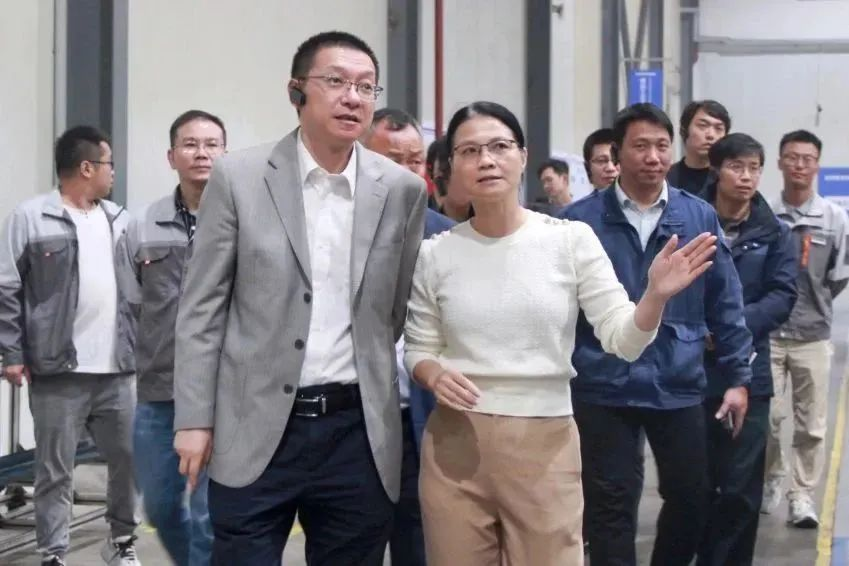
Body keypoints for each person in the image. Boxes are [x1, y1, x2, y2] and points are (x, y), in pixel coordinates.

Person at [404, 101, 717, 566]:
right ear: (452, 166)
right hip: (455, 446)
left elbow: (622, 339)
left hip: (545, 444)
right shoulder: (436, 254)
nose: (486, 160)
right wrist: (432, 374)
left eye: (499, 146)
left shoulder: (569, 240)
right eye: (470, 151)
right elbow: (418, 347)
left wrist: (653, 297)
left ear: (522, 156)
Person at [171, 31, 427, 565]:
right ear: (297, 91)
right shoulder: (239, 178)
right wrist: (194, 419)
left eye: (366, 87)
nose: (352, 97)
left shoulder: (401, 190)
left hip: (358, 434)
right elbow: (201, 310)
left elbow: (395, 310)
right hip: (255, 426)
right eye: (335, 81)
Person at [562, 102, 752, 566]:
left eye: (662, 146)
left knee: (690, 495)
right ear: (617, 153)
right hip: (602, 380)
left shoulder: (697, 216)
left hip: (677, 379)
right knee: (609, 505)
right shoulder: (578, 221)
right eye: (641, 146)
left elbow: (725, 300)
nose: (653, 157)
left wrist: (737, 377)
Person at [0, 126, 140, 566]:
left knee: (129, 461)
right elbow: (7, 289)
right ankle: (53, 554)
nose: (113, 172)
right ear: (86, 168)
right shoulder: (30, 218)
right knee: (54, 471)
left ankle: (121, 542)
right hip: (58, 370)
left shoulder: (120, 220)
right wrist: (12, 354)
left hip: (118, 369)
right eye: (108, 163)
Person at [118, 109, 226, 566]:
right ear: (171, 156)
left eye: (211, 144)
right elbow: (129, 305)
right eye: (190, 144)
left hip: (222, 393)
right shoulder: (143, 226)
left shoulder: (240, 220)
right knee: (160, 507)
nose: (202, 153)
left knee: (210, 517)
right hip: (159, 392)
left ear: (225, 153)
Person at [696, 133, 798, 565]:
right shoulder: (689, 222)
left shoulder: (775, 233)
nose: (746, 176)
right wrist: (699, 328)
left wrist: (731, 327)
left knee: (740, 489)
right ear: (716, 170)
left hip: (749, 373)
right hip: (690, 371)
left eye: (754, 168)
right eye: (737, 166)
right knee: (694, 486)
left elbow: (782, 295)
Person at [362, 107, 454, 566]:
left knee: (417, 540)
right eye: (392, 161)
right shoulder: (334, 233)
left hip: (421, 418)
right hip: (353, 420)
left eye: (415, 161)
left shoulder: (449, 239)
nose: (407, 172)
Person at [764, 130, 849, 527]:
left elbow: (838, 276)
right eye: (792, 157)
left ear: (817, 165)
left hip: (813, 334)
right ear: (780, 162)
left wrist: (815, 303)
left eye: (807, 158)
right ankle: (772, 476)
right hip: (768, 334)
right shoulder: (765, 213)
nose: (799, 165)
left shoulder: (834, 219)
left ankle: (801, 495)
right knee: (766, 417)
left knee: (812, 424)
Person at [667, 100, 730, 194]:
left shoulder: (729, 181)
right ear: (684, 130)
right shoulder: (666, 178)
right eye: (703, 126)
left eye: (718, 128)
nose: (711, 135)